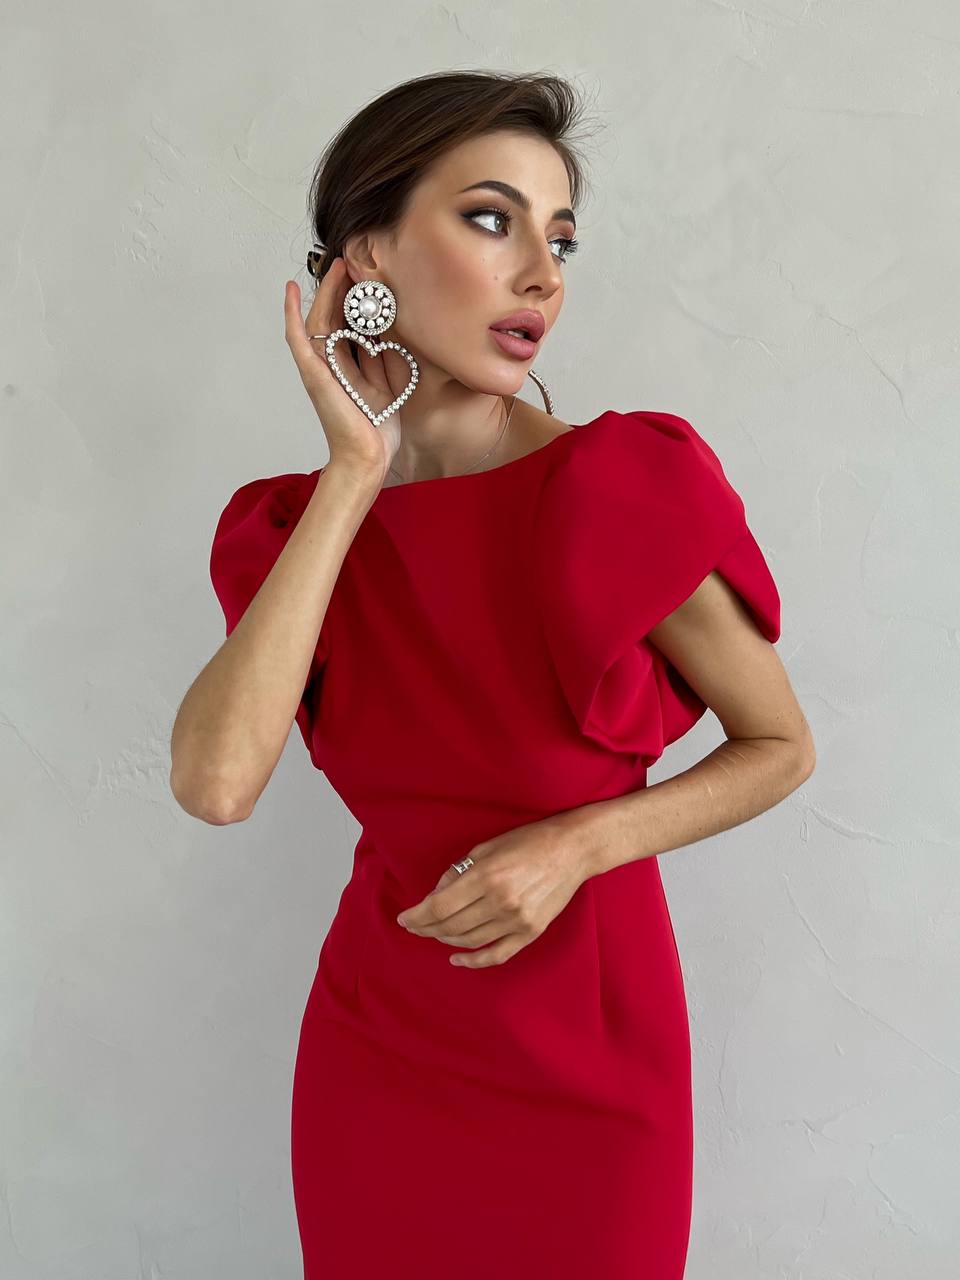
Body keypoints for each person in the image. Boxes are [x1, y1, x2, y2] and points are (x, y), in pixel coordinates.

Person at [170, 70, 815, 1280]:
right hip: (384, 1047)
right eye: (490, 218)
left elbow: (781, 743)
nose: (542, 275)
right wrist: (353, 478)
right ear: (367, 253)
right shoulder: (291, 530)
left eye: (559, 237)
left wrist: (576, 845)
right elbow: (215, 782)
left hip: (592, 1061)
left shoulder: (619, 488)